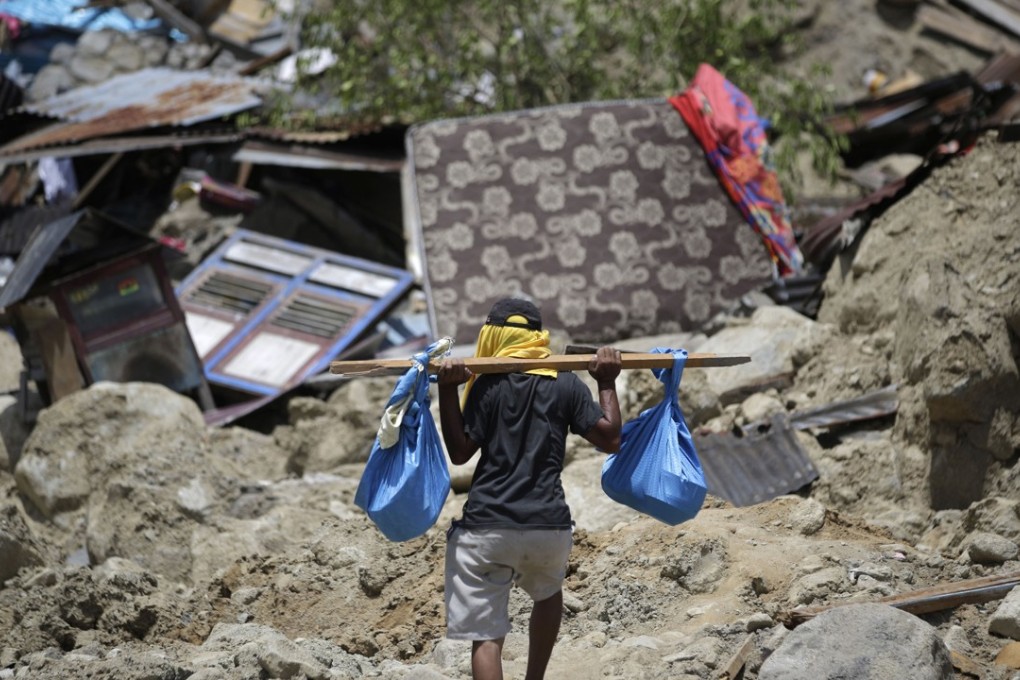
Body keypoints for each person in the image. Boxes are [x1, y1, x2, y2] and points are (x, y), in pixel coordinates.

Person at [436, 297, 622, 680]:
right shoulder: (566, 383)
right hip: (548, 526)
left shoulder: (487, 386)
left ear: (494, 336)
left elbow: (459, 453)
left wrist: (447, 390)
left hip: (487, 528)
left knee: (486, 639)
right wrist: (606, 381)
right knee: (548, 593)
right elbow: (610, 438)